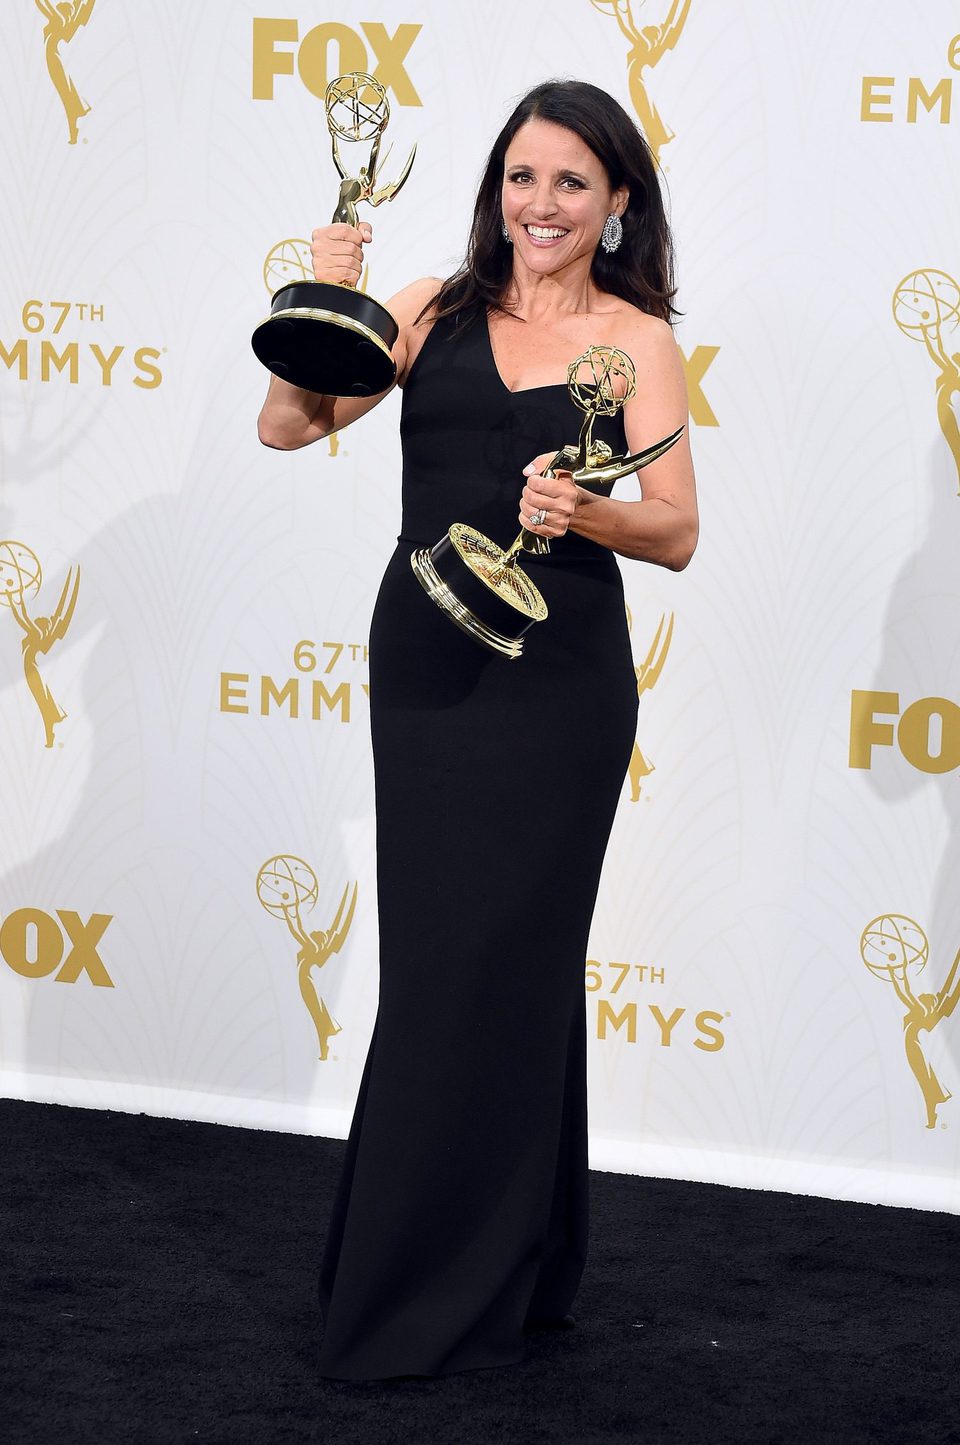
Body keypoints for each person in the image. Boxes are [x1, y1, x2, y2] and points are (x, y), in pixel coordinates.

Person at [257, 77, 698, 1381]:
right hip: (429, 666)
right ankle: (462, 1275)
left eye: (571, 181)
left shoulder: (638, 337)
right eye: (522, 176)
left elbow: (673, 527)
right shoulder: (430, 309)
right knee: (449, 965)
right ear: (494, 188)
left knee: (513, 963)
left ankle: (481, 1277)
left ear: (618, 201)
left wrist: (587, 514)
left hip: (559, 683)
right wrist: (323, 298)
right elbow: (287, 425)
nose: (541, 204)